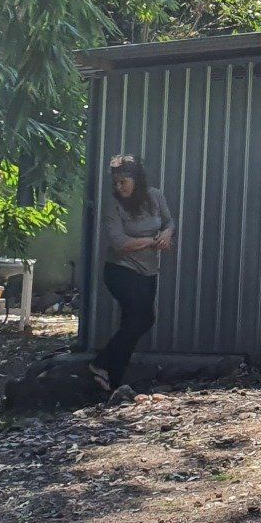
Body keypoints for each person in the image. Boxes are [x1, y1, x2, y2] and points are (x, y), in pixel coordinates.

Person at [93, 155, 175, 394]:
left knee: (132, 322)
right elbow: (120, 243)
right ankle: (100, 363)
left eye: (124, 182)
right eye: (115, 183)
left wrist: (167, 234)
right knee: (143, 318)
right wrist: (152, 240)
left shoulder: (155, 196)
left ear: (137, 180)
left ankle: (111, 378)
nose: (119, 187)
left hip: (149, 271)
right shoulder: (114, 205)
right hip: (121, 270)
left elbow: (169, 222)